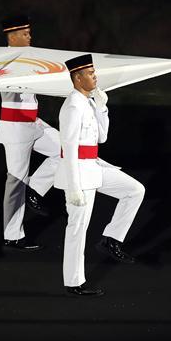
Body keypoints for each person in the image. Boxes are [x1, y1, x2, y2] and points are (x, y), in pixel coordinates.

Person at [56, 54, 145, 296]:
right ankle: (74, 282)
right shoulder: (72, 105)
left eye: (94, 72)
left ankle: (111, 238)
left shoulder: (88, 102)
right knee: (77, 227)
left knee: (135, 190)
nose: (95, 76)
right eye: (90, 73)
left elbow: (102, 138)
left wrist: (102, 107)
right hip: (79, 173)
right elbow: (69, 147)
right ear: (77, 77)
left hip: (94, 166)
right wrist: (73, 186)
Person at [0, 15, 59, 251]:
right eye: (25, 34)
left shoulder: (29, 57)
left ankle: (35, 189)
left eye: (29, 33)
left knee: (67, 149)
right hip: (15, 127)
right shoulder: (3, 61)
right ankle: (12, 235)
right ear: (12, 36)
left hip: (33, 122)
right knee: (15, 181)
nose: (30, 37)